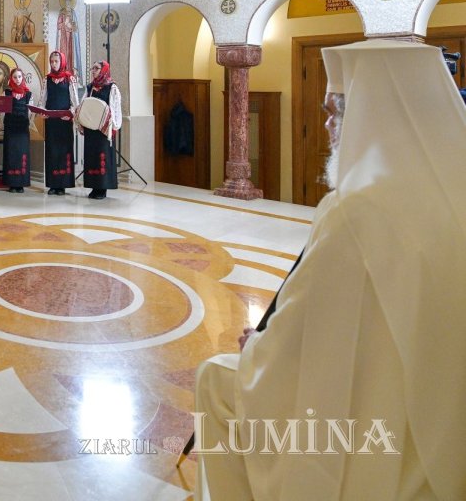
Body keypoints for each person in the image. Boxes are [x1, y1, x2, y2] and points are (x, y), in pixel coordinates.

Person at [194, 40, 466, 500]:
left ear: (372, 115)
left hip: (381, 440)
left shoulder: (357, 213)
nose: (326, 126)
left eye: (335, 112)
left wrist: (257, 345)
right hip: (445, 431)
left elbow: (299, 341)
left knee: (217, 382)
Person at [81, 61, 122, 199]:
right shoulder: (90, 87)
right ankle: (94, 187)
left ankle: (102, 188)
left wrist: (114, 126)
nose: (93, 71)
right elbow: (84, 105)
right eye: (92, 68)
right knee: (92, 158)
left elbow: (115, 108)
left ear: (104, 70)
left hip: (104, 131)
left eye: (97, 68)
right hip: (91, 129)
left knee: (102, 158)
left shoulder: (112, 87)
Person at [42, 51, 79, 195]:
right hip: (51, 121)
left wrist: (70, 114)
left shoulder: (69, 78)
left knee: (63, 151)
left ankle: (62, 185)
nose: (53, 64)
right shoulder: (47, 79)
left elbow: (75, 101)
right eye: (51, 61)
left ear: (62, 62)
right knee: (52, 151)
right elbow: (43, 99)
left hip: (64, 121)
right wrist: (42, 111)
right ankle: (52, 184)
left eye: (56, 61)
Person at [2, 68, 33, 192]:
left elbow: (30, 112)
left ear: (23, 78)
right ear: (11, 79)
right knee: (11, 154)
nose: (17, 79)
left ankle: (20, 184)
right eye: (15, 77)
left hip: (22, 129)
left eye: (19, 77)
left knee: (21, 154)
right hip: (10, 127)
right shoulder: (7, 92)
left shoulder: (28, 94)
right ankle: (11, 183)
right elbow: (2, 107)